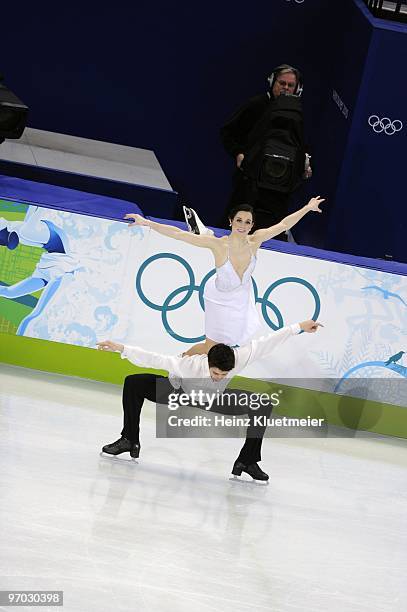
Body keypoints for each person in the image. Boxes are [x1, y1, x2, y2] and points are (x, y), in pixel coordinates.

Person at [97, 318, 322, 482]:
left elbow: (267, 342)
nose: (220, 378)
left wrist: (300, 327)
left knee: (263, 403)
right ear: (207, 363)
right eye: (216, 374)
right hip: (179, 392)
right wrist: (120, 348)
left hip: (214, 399)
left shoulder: (238, 358)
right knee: (134, 382)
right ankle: (129, 440)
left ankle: (247, 460)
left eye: (224, 375)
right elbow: (154, 359)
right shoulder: (190, 365)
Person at [125, 196, 324, 354]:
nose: (243, 225)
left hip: (241, 298)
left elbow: (283, 225)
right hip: (218, 299)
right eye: (239, 220)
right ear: (230, 221)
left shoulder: (255, 241)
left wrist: (307, 208)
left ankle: (203, 231)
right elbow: (178, 234)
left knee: (229, 346)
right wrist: (148, 223)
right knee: (211, 347)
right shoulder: (220, 246)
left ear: (252, 225)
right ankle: (181, 361)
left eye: (248, 222)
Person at [220, 64, 312, 239]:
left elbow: (301, 146)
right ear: (272, 82)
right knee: (235, 230)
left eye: (290, 85)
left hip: (279, 189)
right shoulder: (256, 105)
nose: (285, 88)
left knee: (271, 236)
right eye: (281, 83)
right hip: (249, 183)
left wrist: (305, 164)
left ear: (298, 89)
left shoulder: (297, 114)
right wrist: (238, 153)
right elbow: (227, 132)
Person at [0, 206, 80, 334]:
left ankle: (18, 339)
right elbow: (35, 206)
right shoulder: (24, 227)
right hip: (49, 264)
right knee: (9, 292)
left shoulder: (26, 230)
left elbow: (40, 205)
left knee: (37, 314)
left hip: (62, 270)